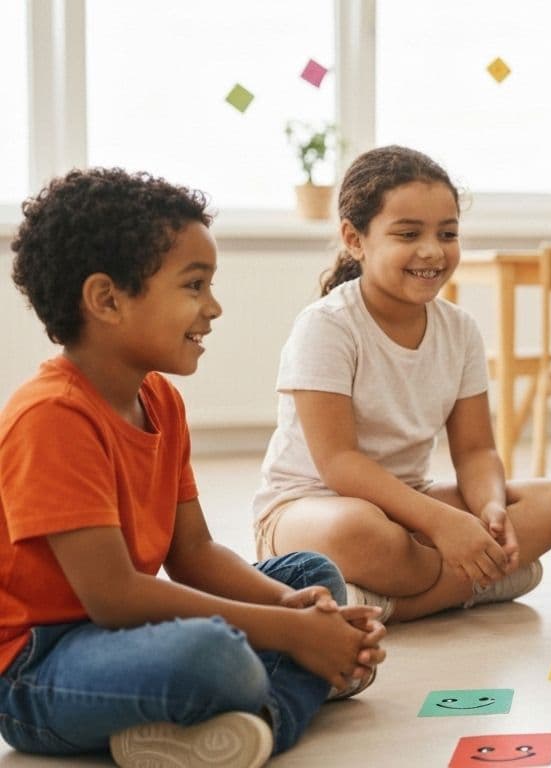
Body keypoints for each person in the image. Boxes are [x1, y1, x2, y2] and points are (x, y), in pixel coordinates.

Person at [0, 168, 386, 768]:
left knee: (312, 574)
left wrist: (292, 610)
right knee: (211, 654)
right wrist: (287, 635)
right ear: (106, 299)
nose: (214, 307)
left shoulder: (160, 399)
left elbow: (195, 553)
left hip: (124, 633)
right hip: (37, 667)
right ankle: (283, 698)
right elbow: (114, 598)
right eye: (194, 285)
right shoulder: (51, 417)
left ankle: (245, 715)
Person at [252, 146, 551, 623]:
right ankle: (474, 582)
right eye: (408, 234)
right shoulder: (327, 326)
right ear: (354, 238)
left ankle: (395, 597)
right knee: (361, 531)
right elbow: (339, 464)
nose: (432, 250)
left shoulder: (459, 329)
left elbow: (475, 451)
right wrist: (444, 524)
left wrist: (487, 511)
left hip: (409, 504)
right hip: (312, 509)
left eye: (447, 234)